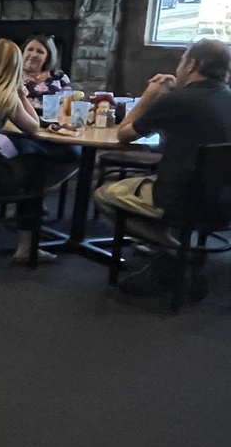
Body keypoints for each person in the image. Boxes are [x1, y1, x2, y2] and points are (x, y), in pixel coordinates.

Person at [94, 39, 231, 296]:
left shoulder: (177, 100)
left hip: (182, 199)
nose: (179, 66)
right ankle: (166, 257)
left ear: (192, 64)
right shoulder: (227, 97)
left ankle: (176, 252)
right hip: (224, 201)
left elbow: (123, 135)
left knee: (105, 195)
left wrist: (150, 94)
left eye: (182, 60)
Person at [0, 38, 77, 264]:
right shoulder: (5, 96)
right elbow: (34, 127)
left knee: (30, 158)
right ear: (15, 66)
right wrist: (20, 94)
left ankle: (29, 225)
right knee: (36, 168)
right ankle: (26, 248)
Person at [21, 34, 72, 107]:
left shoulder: (58, 75)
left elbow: (68, 103)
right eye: (30, 49)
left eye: (40, 52)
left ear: (48, 57)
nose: (34, 55)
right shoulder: (13, 74)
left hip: (54, 117)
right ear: (23, 52)